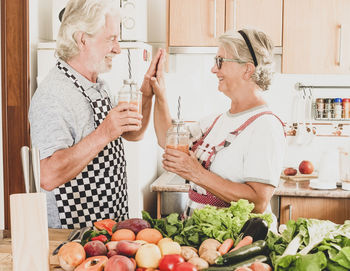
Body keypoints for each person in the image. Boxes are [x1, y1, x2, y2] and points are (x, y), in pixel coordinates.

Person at [29, 0, 164, 229]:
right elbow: (48, 175)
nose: (118, 48)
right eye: (111, 38)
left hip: (109, 220)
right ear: (83, 39)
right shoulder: (53, 95)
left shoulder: (98, 84)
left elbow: (132, 133)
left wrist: (147, 93)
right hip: (75, 231)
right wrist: (104, 132)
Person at [151, 28, 286, 227]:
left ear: (247, 69)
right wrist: (159, 93)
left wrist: (196, 173)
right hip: (204, 239)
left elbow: (258, 201)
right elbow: (167, 139)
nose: (214, 69)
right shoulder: (216, 121)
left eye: (220, 61)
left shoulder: (266, 126)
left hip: (237, 244)